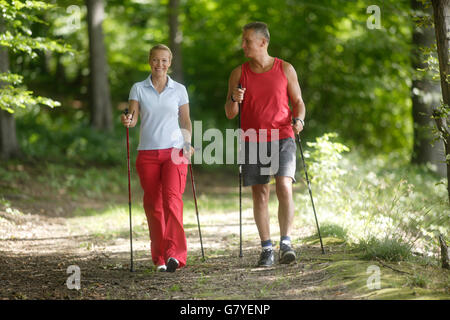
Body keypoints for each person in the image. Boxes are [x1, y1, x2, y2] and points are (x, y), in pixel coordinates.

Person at [224, 22, 306, 267]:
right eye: (243, 40)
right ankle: (266, 248)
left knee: (284, 185)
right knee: (260, 192)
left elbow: (299, 102)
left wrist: (299, 119)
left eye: (247, 41)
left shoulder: (285, 69)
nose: (243, 45)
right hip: (253, 138)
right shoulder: (239, 73)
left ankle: (286, 243)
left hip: (283, 135)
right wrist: (233, 98)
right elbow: (230, 113)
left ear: (263, 42)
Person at [121, 44, 194, 272]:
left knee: (172, 201)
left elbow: (185, 121)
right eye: (155, 60)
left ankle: (175, 255)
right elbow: (132, 118)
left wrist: (188, 143)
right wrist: (127, 121)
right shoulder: (138, 88)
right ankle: (160, 257)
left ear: (169, 62)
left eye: (164, 60)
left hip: (175, 151)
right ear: (149, 61)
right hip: (148, 153)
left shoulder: (179, 89)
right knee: (154, 206)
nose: (159, 64)